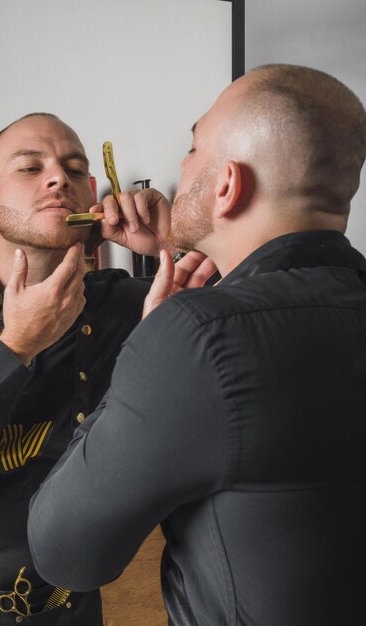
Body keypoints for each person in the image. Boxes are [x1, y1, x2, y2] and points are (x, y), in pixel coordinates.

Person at [27, 64, 366, 626]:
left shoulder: (196, 336)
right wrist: (194, 245)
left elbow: (65, 552)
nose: (181, 170)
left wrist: (155, 336)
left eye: (192, 148)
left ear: (228, 184)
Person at [0, 112, 215, 626]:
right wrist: (15, 349)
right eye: (30, 168)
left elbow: (246, 343)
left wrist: (179, 244)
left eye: (76, 170)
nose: (59, 178)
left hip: (91, 602)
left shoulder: (126, 303)